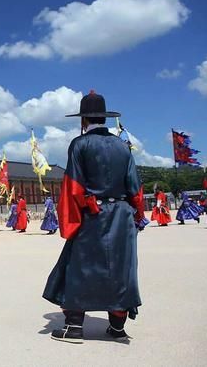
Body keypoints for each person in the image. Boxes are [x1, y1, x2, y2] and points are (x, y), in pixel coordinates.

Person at [43, 90, 149, 344]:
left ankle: (74, 327)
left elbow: (74, 187)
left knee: (79, 266)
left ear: (83, 120)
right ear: (104, 117)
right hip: (122, 216)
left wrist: (73, 219)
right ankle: (117, 327)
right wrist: (138, 216)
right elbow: (135, 187)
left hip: (93, 213)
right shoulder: (124, 147)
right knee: (121, 268)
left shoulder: (80, 145)